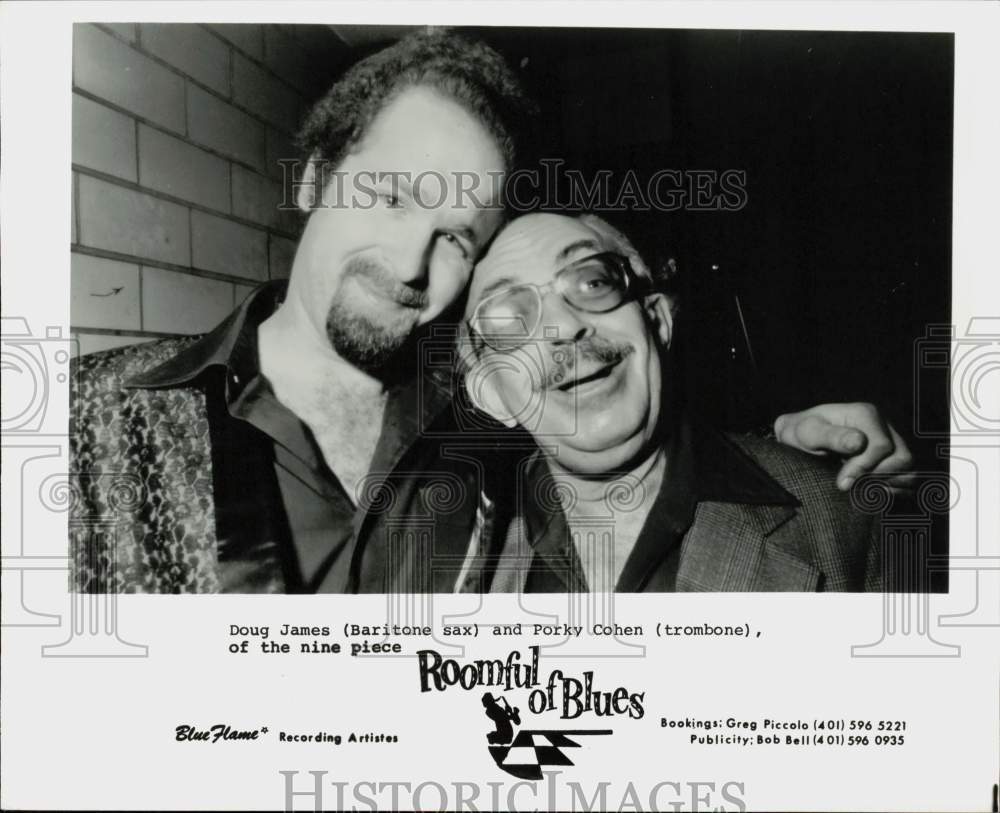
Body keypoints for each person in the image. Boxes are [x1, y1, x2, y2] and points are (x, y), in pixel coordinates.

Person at [69, 30, 911, 594]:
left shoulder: (487, 435)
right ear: (317, 177)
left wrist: (794, 452)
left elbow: (648, 453)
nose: (409, 264)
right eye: (391, 195)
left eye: (457, 238)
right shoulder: (85, 420)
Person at [457, 212, 894, 592]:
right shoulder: (456, 556)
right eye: (509, 317)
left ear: (659, 322)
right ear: (494, 394)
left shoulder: (841, 520)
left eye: (593, 281)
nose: (565, 326)